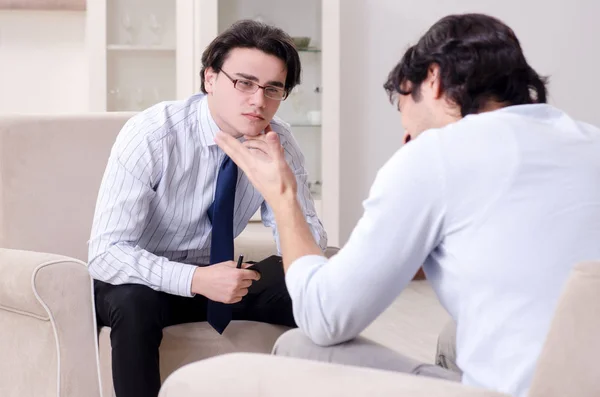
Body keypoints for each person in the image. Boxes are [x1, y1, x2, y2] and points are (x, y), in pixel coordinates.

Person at [214, 13, 600, 397]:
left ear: (431, 80)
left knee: (303, 346)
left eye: (404, 109)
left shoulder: (437, 153)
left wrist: (283, 198)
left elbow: (324, 317)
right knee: (454, 337)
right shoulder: (589, 140)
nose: (407, 132)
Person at [88, 20, 327, 397]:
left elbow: (306, 251)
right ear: (210, 79)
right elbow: (105, 253)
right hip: (144, 280)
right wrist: (195, 280)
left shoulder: (277, 141)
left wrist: (282, 191)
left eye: (272, 89)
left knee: (320, 284)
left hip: (221, 280)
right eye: (244, 83)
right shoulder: (153, 134)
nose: (258, 101)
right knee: (134, 302)